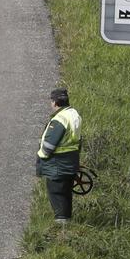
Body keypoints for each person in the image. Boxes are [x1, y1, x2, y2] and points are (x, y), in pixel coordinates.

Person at [36, 86, 82, 222]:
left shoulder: (59, 119)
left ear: (55, 102)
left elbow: (49, 145)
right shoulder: (74, 114)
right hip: (71, 160)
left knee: (56, 193)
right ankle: (66, 221)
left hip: (57, 164)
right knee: (66, 192)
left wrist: (42, 156)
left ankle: (61, 224)